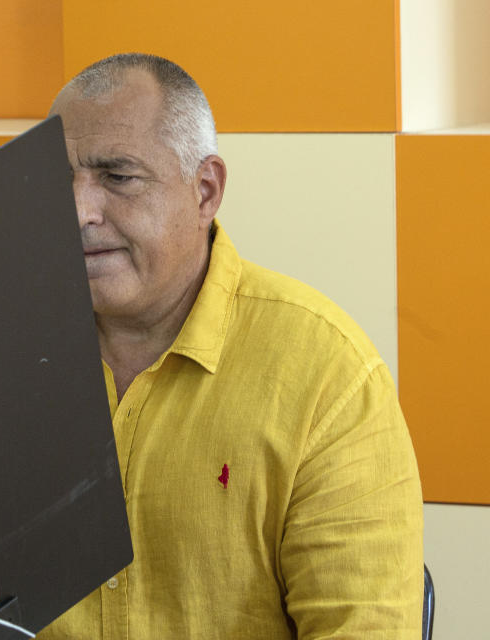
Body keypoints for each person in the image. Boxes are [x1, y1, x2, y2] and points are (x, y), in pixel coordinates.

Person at [37, 53, 423, 639]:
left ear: (206, 190)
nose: (78, 211)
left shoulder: (327, 375)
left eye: (118, 177)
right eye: (56, 180)